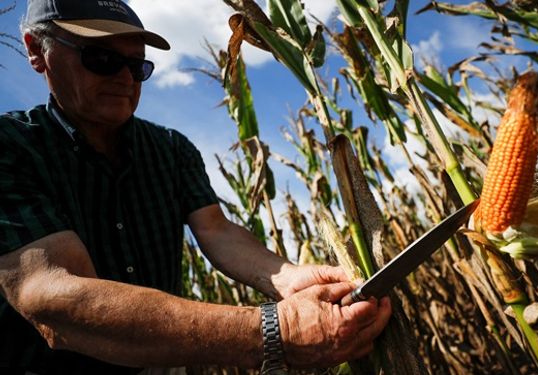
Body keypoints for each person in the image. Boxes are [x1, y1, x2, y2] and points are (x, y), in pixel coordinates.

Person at [0, 1, 392, 374]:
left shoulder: (172, 148)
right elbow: (55, 299)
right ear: (37, 51)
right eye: (101, 59)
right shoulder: (11, 147)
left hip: (160, 362)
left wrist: (288, 276)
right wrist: (276, 331)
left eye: (138, 67)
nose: (123, 78)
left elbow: (216, 230)